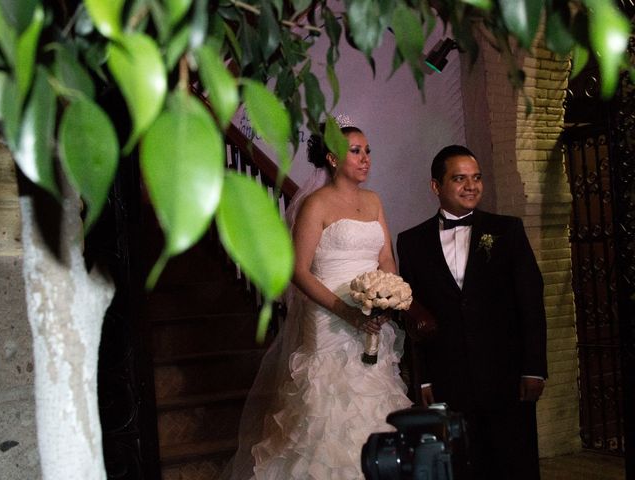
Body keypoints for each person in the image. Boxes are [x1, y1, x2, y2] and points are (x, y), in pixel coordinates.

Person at [224, 116, 412, 480]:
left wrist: (387, 296)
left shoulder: (374, 201)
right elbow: (297, 270)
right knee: (327, 410)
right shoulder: (316, 204)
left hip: (371, 318)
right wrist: (346, 311)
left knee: (374, 399)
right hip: (329, 321)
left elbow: (385, 256)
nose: (365, 158)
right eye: (355, 151)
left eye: (368, 151)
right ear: (332, 158)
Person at [396, 145, 547, 480]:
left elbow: (531, 301)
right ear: (436, 186)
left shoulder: (508, 230)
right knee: (460, 467)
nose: (471, 186)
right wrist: (422, 377)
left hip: (507, 378)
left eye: (476, 178)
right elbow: (410, 313)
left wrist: (534, 368)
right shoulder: (411, 242)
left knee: (514, 465)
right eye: (459, 178)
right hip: (449, 380)